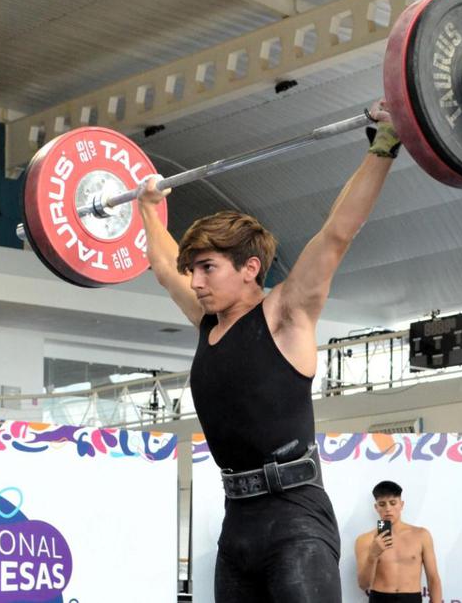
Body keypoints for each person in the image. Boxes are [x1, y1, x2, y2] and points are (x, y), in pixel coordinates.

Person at [137, 101, 401, 603]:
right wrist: (147, 207)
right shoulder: (207, 322)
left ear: (250, 268)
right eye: (192, 268)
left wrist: (384, 143)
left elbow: (338, 232)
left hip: (296, 520)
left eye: (207, 268)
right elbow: (161, 263)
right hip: (237, 525)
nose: (193, 281)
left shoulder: (286, 314)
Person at [355, 480, 442, 603]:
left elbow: (433, 579)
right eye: (382, 504)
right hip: (380, 598)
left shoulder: (421, 535)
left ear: (401, 505)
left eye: (393, 503)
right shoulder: (365, 540)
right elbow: (363, 585)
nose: (388, 509)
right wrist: (372, 555)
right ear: (376, 507)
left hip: (412, 599)